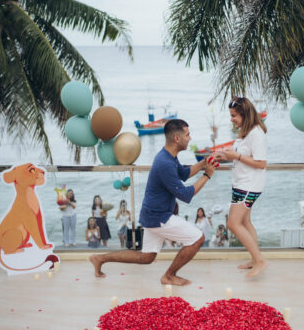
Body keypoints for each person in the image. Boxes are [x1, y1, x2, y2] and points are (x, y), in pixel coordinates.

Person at [89, 119, 216, 286]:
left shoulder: (168, 156)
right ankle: (169, 276)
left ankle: (99, 258)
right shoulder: (165, 163)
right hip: (159, 217)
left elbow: (183, 174)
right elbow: (186, 195)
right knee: (197, 238)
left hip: (153, 214)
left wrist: (203, 163)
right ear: (177, 138)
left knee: (146, 257)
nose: (190, 138)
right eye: (187, 134)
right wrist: (207, 175)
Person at [214, 96, 268, 278]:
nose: (232, 119)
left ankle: (260, 261)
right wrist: (225, 156)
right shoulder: (247, 133)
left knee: (233, 224)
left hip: (248, 186)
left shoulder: (256, 134)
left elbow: (261, 163)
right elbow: (242, 156)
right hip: (242, 185)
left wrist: (235, 157)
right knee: (245, 222)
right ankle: (255, 259)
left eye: (234, 115)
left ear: (245, 114)